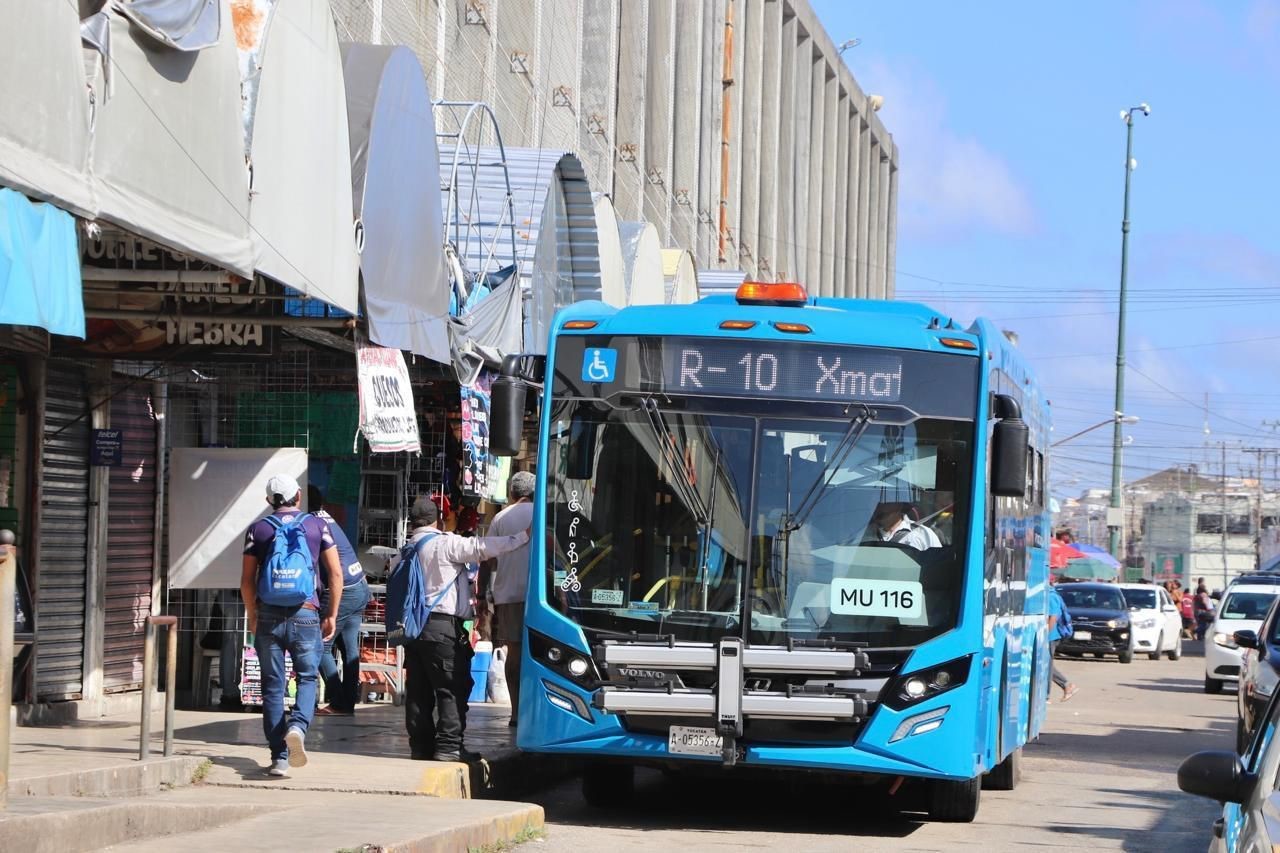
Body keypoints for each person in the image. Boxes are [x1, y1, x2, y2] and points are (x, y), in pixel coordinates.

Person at [397, 496, 529, 762]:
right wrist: (522, 537)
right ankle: (449, 747)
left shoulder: (406, 549)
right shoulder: (446, 543)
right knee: (451, 688)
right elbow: (484, 547)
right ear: (439, 520)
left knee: (418, 692)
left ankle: (420, 747)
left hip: (412, 630)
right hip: (442, 627)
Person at [240, 474, 342, 777]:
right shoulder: (316, 525)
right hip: (306, 613)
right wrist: (331, 614)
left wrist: (252, 615)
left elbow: (246, 581)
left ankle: (279, 758)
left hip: (268, 615)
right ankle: (297, 726)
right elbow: (336, 575)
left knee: (272, 687)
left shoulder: (257, 530)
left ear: (270, 500)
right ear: (299, 496)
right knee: (308, 678)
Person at [479, 470, 536, 728]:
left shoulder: (501, 518)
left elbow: (487, 558)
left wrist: (482, 594)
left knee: (514, 653)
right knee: (541, 655)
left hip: (508, 596)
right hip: (541, 598)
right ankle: (535, 711)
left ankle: (515, 714)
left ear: (512, 493)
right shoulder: (544, 515)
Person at [309, 486, 371, 717]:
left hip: (344, 588)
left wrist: (330, 613)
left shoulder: (312, 524)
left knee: (320, 644)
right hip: (360, 584)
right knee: (349, 647)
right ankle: (347, 703)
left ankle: (337, 700)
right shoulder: (326, 517)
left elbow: (332, 573)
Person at [1047, 581, 1079, 702]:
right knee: (1047, 665)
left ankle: (1048, 694)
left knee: (1047, 666)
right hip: (1052, 636)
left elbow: (1053, 618)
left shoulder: (1051, 596)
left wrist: (1045, 636)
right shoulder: (1051, 594)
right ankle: (1066, 686)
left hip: (1051, 636)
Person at [867, 501, 941, 551]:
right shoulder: (861, 536)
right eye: (875, 499)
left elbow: (937, 566)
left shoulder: (924, 535)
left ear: (899, 505)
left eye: (885, 500)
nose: (879, 505)